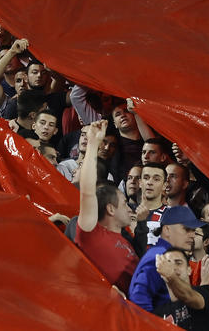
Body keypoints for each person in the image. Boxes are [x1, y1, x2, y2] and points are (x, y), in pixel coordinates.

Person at [75, 119, 138, 293]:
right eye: (124, 203)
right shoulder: (92, 233)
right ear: (110, 209)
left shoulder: (127, 241)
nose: (128, 208)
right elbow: (87, 190)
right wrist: (93, 144)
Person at [128, 205, 202, 312]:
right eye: (187, 229)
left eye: (193, 230)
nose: (192, 235)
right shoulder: (159, 256)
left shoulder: (164, 252)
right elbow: (138, 299)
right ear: (167, 229)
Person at [153, 249, 209, 330]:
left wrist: (170, 275)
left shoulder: (203, 293)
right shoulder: (158, 314)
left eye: (178, 263)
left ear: (189, 270)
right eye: (168, 264)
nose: (173, 268)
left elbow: (187, 296)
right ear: (161, 273)